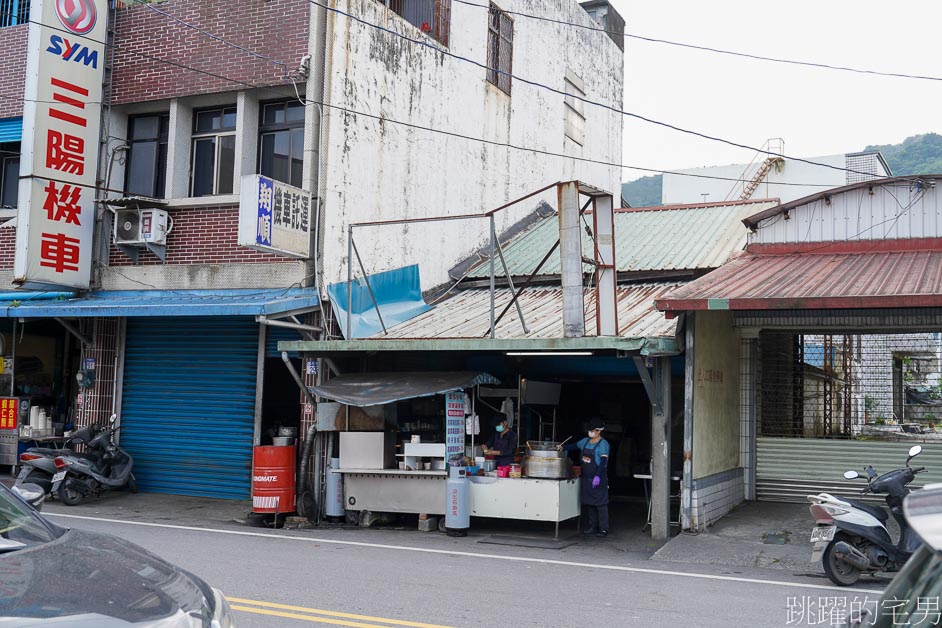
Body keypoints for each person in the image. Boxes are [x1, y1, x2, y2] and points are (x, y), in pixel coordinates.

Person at [561, 418, 611, 537]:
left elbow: (603, 461)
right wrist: (563, 447)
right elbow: (574, 446)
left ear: (598, 431)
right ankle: (592, 526)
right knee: (590, 503)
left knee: (601, 504)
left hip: (598, 477)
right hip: (586, 477)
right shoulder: (585, 441)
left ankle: (603, 528)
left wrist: (597, 476)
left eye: (592, 430)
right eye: (589, 430)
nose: (590, 432)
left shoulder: (603, 444)